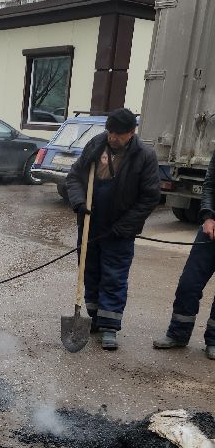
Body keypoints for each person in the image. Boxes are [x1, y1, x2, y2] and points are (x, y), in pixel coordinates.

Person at [66, 107, 161, 351]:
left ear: (131, 132)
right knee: (90, 271)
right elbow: (75, 177)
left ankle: (110, 327)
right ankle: (95, 318)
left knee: (115, 276)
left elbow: (150, 197)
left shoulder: (144, 156)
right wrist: (79, 204)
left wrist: (125, 225)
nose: (112, 137)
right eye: (110, 132)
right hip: (91, 223)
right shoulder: (96, 145)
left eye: (118, 134)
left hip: (121, 228)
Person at [153, 150, 215, 360]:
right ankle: (178, 335)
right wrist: (207, 217)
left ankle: (214, 341)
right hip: (210, 232)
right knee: (188, 285)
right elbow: (209, 186)